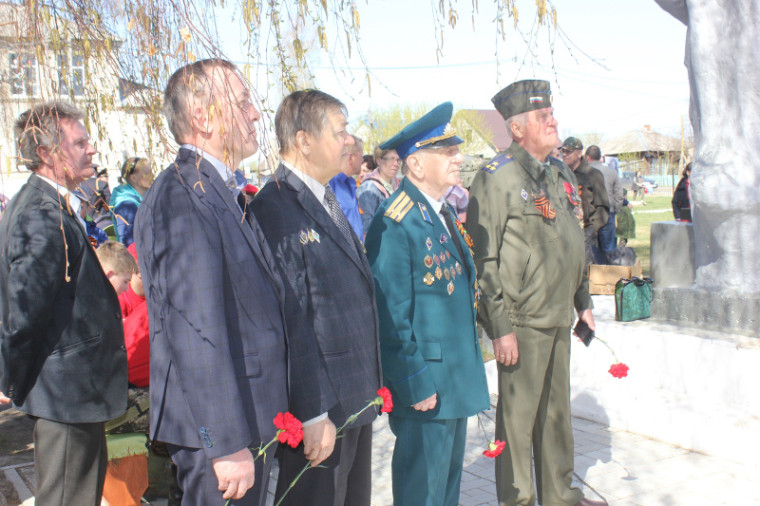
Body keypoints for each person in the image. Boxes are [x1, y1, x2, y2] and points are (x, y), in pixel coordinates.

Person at [134, 58, 290, 505]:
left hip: (247, 416)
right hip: (222, 432)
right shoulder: (183, 195)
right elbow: (195, 328)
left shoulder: (213, 187)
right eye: (242, 101)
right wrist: (224, 442)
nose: (256, 112)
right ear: (203, 117)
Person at [466, 80, 606, 506]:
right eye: (544, 118)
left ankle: (560, 495)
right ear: (518, 128)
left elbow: (572, 239)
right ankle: (519, 499)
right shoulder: (496, 178)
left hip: (558, 315)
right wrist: (500, 327)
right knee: (517, 424)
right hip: (521, 324)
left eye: (552, 114)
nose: (554, 122)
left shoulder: (559, 171)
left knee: (556, 418)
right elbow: (483, 260)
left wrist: (582, 302)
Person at [251, 89, 382, 506]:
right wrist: (312, 411)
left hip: (354, 395)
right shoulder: (275, 207)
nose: (348, 140)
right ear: (304, 140)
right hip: (324, 406)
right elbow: (294, 316)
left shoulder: (325, 196)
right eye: (339, 131)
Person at [0, 102, 127, 505]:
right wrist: (7, 377)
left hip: (73, 390)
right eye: (80, 142)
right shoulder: (40, 212)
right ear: (47, 154)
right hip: (66, 390)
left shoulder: (48, 204)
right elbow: (26, 307)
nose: (91, 149)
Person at [365, 102, 489, 506]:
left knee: (446, 487)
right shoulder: (396, 220)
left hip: (451, 376)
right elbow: (389, 314)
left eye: (457, 149)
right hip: (426, 384)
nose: (459, 158)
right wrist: (412, 379)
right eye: (447, 152)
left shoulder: (442, 212)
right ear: (415, 165)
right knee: (423, 491)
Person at [561, 137, 610, 267]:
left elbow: (603, 205)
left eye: (568, 151)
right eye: (563, 151)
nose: (564, 155)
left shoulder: (592, 174)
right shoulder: (561, 174)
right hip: (566, 231)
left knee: (584, 271)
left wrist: (594, 228)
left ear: (578, 153)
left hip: (586, 231)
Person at [586, 145, 623, 263]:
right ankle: (611, 276)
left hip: (589, 217)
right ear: (600, 157)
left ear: (587, 157)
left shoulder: (584, 173)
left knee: (590, 251)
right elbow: (619, 194)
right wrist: (616, 209)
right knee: (609, 251)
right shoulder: (611, 172)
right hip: (608, 214)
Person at [111, 156, 154, 246]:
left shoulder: (144, 198)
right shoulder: (126, 205)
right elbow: (129, 243)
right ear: (134, 178)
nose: (152, 175)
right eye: (147, 173)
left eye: (151, 171)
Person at [357, 147, 401, 234]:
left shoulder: (398, 186)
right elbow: (366, 226)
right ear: (379, 161)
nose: (396, 164)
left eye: (398, 160)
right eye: (391, 159)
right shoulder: (369, 188)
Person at [328, 134, 364, 238]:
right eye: (361, 156)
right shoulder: (330, 184)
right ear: (350, 157)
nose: (362, 160)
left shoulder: (350, 184)